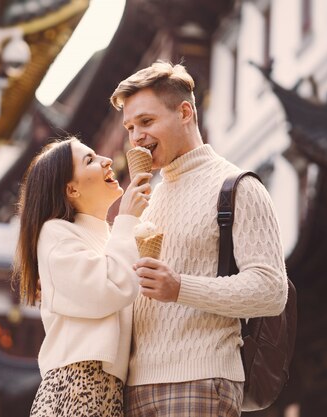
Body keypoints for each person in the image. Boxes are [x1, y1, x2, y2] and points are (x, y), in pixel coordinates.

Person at [109, 61, 288, 416]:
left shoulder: (238, 187)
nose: (136, 137)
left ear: (185, 112)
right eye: (130, 127)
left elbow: (272, 290)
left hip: (200, 380)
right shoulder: (148, 198)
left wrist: (180, 288)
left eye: (146, 122)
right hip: (133, 386)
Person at [14, 136, 152, 416]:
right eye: (90, 160)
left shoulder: (107, 238)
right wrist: (127, 220)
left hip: (105, 388)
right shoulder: (55, 234)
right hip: (75, 384)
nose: (107, 160)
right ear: (71, 189)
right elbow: (109, 288)